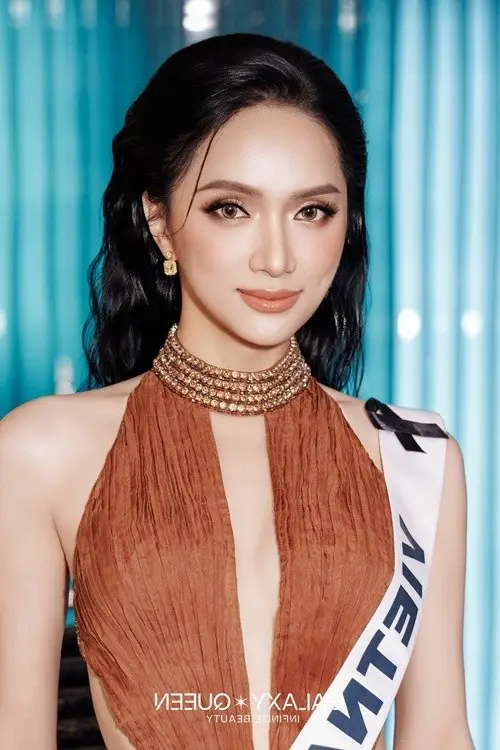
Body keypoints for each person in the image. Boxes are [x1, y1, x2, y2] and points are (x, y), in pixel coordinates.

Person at [0, 32, 474, 750]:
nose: (277, 258)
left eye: (312, 211)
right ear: (159, 220)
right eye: (230, 208)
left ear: (347, 223)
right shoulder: (41, 451)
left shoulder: (412, 457)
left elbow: (438, 732)